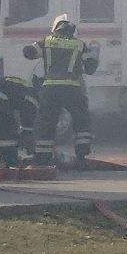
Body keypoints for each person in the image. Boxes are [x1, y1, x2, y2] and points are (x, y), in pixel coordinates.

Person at [30, 14, 97, 165]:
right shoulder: (79, 44)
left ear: (55, 28)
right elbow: (91, 66)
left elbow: (28, 52)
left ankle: (42, 156)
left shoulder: (46, 42)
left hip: (50, 89)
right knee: (81, 120)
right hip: (72, 89)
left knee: (46, 121)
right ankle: (81, 156)